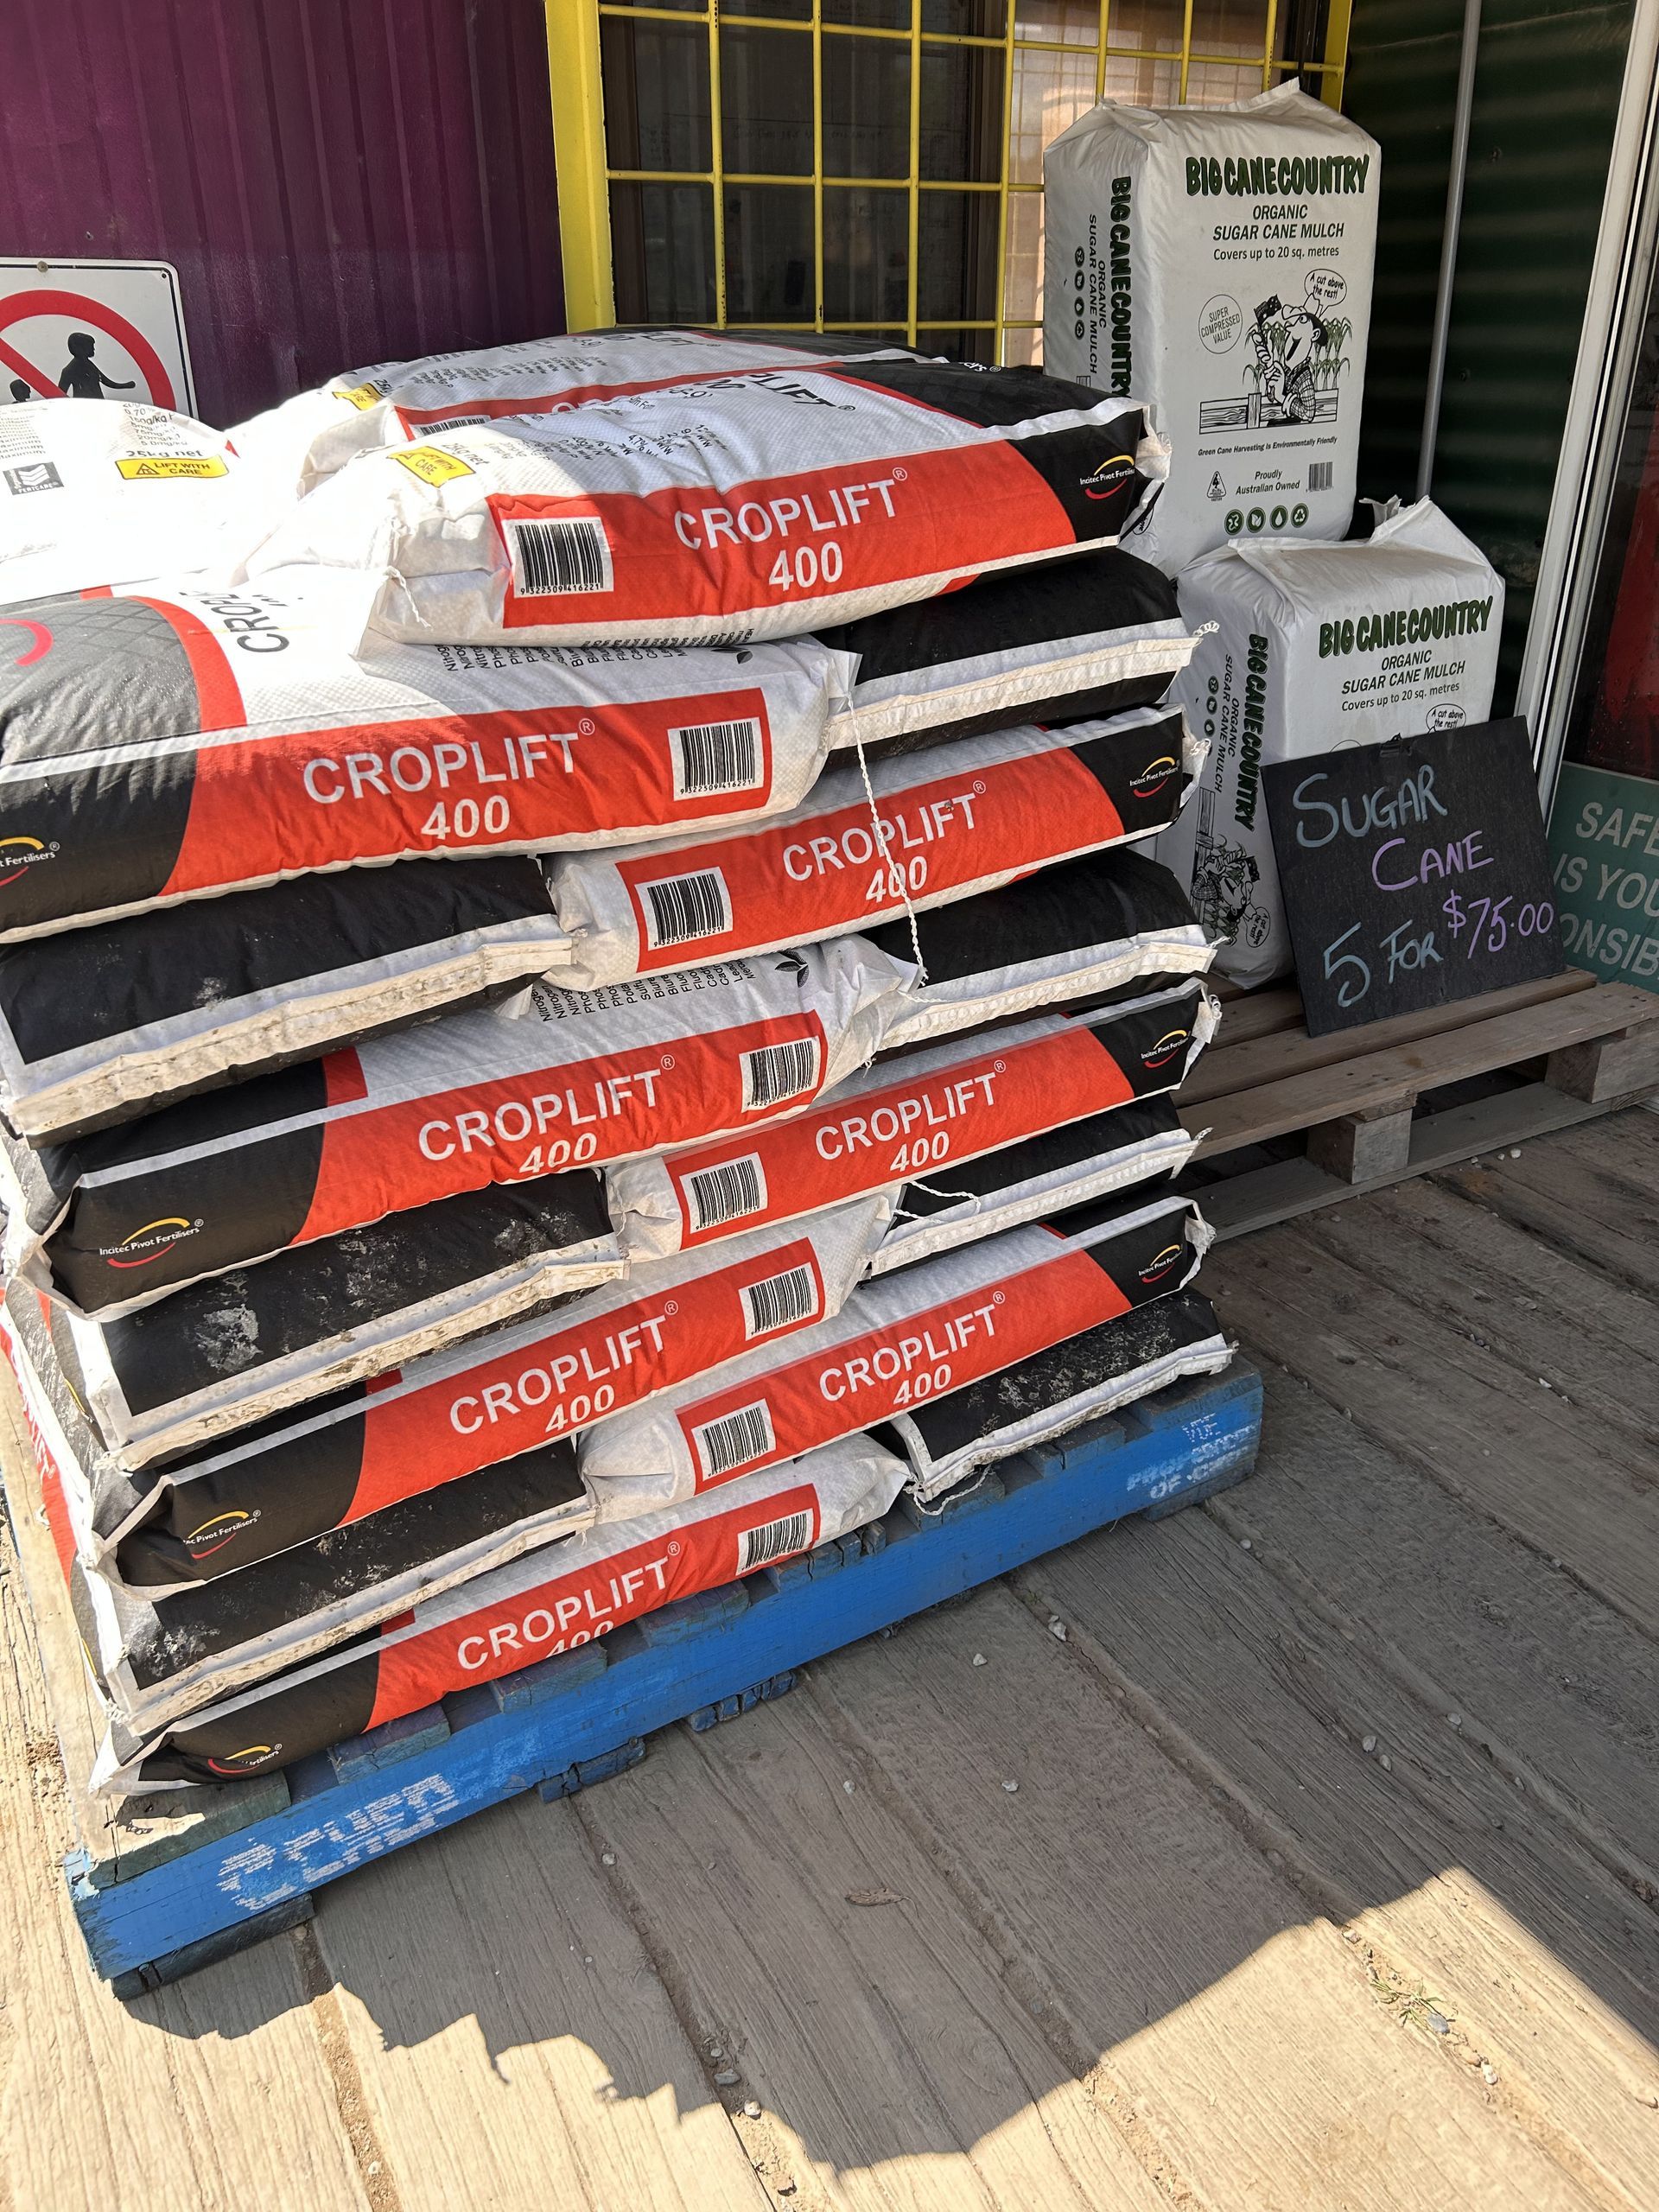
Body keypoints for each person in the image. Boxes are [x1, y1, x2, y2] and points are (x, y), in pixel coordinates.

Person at [56, 333, 134, 399]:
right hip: (82, 410)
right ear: (83, 347)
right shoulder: (69, 371)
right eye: (91, 346)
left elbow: (106, 381)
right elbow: (59, 396)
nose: (93, 349)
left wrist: (126, 385)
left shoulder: (89, 365)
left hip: (100, 407)